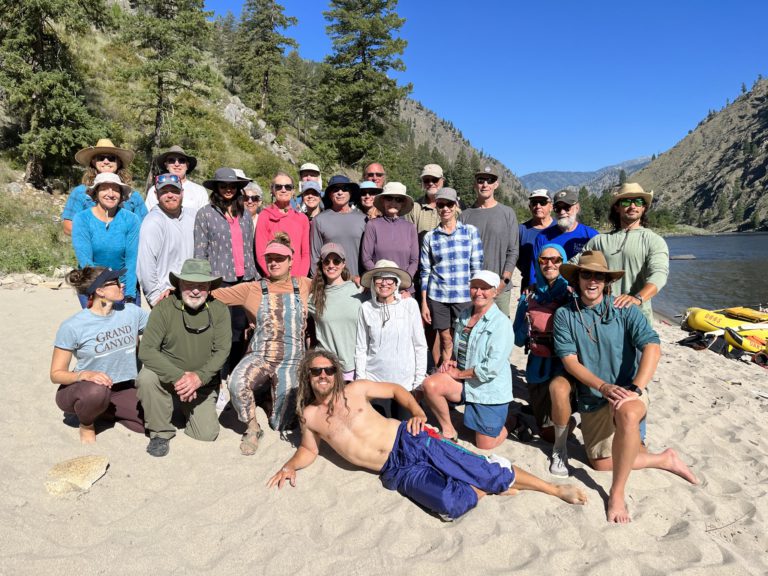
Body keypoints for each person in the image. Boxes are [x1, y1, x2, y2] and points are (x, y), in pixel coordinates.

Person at [268, 350, 587, 521]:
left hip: (409, 438)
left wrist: (419, 414)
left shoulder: (357, 389)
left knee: (485, 471)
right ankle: (484, 485)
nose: (323, 376)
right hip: (395, 470)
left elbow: (394, 390)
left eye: (328, 370)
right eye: (316, 372)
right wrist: (290, 466)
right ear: (307, 377)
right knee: (449, 505)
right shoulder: (309, 416)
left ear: (336, 373)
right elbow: (309, 451)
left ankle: (552, 488)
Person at [554, 251, 698, 523]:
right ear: (577, 279)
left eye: (599, 275)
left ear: (607, 281)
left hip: (629, 391)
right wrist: (604, 387)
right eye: (586, 274)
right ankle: (664, 459)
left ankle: (617, 494)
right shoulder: (565, 314)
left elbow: (652, 347)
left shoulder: (624, 309)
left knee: (628, 412)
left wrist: (636, 389)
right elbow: (570, 361)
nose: (592, 281)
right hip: (593, 397)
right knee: (599, 463)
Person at [212, 233, 312, 455]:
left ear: (291, 261)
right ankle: (252, 427)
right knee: (236, 384)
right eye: (270, 258)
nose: (274, 263)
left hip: (292, 359)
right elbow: (213, 295)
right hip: (260, 355)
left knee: (283, 423)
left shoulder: (304, 285)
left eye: (280, 258)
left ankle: (268, 399)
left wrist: (354, 281)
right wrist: (180, 289)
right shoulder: (252, 289)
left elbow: (333, 288)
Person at [137, 259, 232, 457]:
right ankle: (160, 432)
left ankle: (182, 406)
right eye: (189, 284)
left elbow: (222, 351)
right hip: (168, 377)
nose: (195, 291)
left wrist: (198, 378)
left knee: (207, 434)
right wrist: (180, 377)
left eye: (201, 286)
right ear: (180, 284)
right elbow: (146, 350)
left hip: (202, 382)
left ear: (209, 288)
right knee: (146, 378)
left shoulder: (220, 310)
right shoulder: (163, 308)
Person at [50, 267, 149, 443]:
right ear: (100, 291)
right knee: (97, 391)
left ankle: (105, 411)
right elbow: (56, 374)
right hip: (83, 389)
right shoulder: (73, 326)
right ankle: (86, 424)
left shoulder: (131, 312)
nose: (122, 284)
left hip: (120, 388)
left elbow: (162, 327)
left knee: (149, 422)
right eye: (116, 283)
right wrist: (85, 375)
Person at [422, 271, 513, 449]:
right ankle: (449, 431)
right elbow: (463, 346)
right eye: (475, 287)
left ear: (495, 292)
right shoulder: (464, 315)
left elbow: (490, 368)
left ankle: (513, 421)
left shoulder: (501, 323)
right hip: (466, 381)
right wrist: (454, 361)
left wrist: (459, 373)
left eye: (485, 288)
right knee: (430, 384)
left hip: (488, 388)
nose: (479, 292)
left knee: (484, 445)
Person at [513, 244, 573, 476]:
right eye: (544, 260)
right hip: (537, 366)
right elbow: (518, 338)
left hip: (564, 366)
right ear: (538, 264)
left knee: (551, 427)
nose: (550, 264)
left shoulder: (571, 293)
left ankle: (570, 419)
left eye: (556, 260)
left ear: (564, 262)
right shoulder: (529, 295)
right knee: (544, 429)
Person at [195, 167, 258, 381]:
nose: (228, 189)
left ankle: (236, 376)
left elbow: (250, 247)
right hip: (220, 282)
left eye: (232, 185)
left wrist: (256, 277)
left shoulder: (244, 214)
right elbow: (200, 252)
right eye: (223, 185)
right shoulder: (205, 214)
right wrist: (203, 283)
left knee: (242, 331)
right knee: (221, 333)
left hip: (246, 279)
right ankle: (219, 378)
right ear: (217, 188)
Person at [579, 182, 669, 325]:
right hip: (603, 318)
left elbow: (659, 274)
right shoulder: (599, 241)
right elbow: (574, 265)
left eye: (638, 202)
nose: (632, 206)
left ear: (644, 207)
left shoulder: (654, 240)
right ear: (617, 207)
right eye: (626, 201)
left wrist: (638, 298)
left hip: (638, 319)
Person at [420, 187, 483, 366]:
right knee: (445, 338)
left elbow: (476, 268)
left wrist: (476, 295)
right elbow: (425, 271)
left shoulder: (470, 232)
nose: (445, 208)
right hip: (438, 296)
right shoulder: (430, 237)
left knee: (464, 337)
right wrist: (424, 302)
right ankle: (446, 372)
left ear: (456, 205)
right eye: (441, 204)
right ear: (437, 207)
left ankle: (463, 372)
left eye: (449, 204)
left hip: (463, 295)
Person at [355, 260, 427, 418]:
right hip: (375, 382)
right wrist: (361, 381)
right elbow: (361, 348)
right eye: (379, 278)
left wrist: (419, 382)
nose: (384, 283)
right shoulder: (365, 308)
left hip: (406, 383)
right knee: (379, 435)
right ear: (373, 283)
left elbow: (420, 346)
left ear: (396, 283)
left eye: (389, 278)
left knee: (404, 431)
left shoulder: (410, 305)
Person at [71, 172, 140, 306]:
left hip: (123, 284)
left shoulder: (131, 219)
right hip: (92, 284)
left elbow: (132, 260)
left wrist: (130, 294)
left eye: (115, 189)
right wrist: (100, 289)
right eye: (104, 188)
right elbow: (86, 261)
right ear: (96, 192)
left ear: (121, 194)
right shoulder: (82, 219)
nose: (111, 193)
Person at [459, 166, 519, 317]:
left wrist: (503, 282)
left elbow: (513, 251)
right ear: (475, 184)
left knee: (501, 334)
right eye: (481, 180)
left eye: (489, 180)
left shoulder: (507, 213)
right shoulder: (464, 216)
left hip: (500, 288)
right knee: (471, 332)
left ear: (496, 184)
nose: (485, 184)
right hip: (473, 289)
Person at [61, 138, 147, 236]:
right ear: (94, 162)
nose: (106, 161)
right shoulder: (80, 192)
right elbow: (68, 226)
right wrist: (98, 238)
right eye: (101, 158)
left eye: (111, 158)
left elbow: (145, 226)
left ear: (118, 162)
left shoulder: (133, 196)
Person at [307, 243, 364, 381]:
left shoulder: (359, 290)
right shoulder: (314, 298)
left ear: (343, 264)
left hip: (357, 366)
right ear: (322, 265)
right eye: (327, 261)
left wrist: (403, 293)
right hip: (328, 368)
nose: (331, 265)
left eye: (336, 261)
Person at [137, 173, 195, 307]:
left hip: (194, 289)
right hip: (167, 295)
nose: (170, 195)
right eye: (164, 191)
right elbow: (146, 264)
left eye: (175, 191)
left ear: (182, 192)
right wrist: (155, 297)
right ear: (156, 194)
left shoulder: (193, 215)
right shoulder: (153, 222)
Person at [361, 182, 418, 295]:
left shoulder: (410, 227)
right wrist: (383, 281)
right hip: (380, 289)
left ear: (403, 203)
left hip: (404, 290)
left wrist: (404, 282)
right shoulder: (372, 225)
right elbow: (366, 258)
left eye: (398, 199)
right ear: (383, 201)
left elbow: (414, 260)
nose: (393, 202)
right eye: (389, 198)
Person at [530, 189, 598, 283]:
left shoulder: (591, 236)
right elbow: (535, 267)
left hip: (581, 291)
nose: (562, 212)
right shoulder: (543, 237)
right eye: (558, 208)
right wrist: (533, 285)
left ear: (577, 208)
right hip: (550, 291)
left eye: (567, 207)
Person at [310, 175, 366, 282]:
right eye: (335, 190)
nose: (340, 192)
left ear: (350, 193)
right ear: (330, 194)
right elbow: (315, 255)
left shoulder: (363, 219)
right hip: (330, 283)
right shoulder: (319, 220)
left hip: (358, 283)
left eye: (345, 189)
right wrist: (317, 282)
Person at [255, 171, 310, 277]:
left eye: (288, 187)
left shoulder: (302, 219)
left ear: (293, 191)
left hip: (297, 280)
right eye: (279, 187)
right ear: (272, 190)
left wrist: (299, 279)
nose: (283, 190)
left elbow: (305, 254)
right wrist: (275, 278)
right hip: (273, 279)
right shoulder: (265, 216)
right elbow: (260, 253)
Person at [144, 145, 209, 214]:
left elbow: (205, 218)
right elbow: (149, 215)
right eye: (172, 160)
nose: (177, 164)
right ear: (166, 165)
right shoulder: (154, 190)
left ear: (187, 165)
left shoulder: (200, 191)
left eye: (181, 160)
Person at [517, 189, 555, 291]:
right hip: (529, 286)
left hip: (557, 285)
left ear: (551, 206)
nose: (538, 206)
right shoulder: (521, 230)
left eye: (542, 202)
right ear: (530, 206)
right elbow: (515, 257)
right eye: (534, 203)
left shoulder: (560, 229)